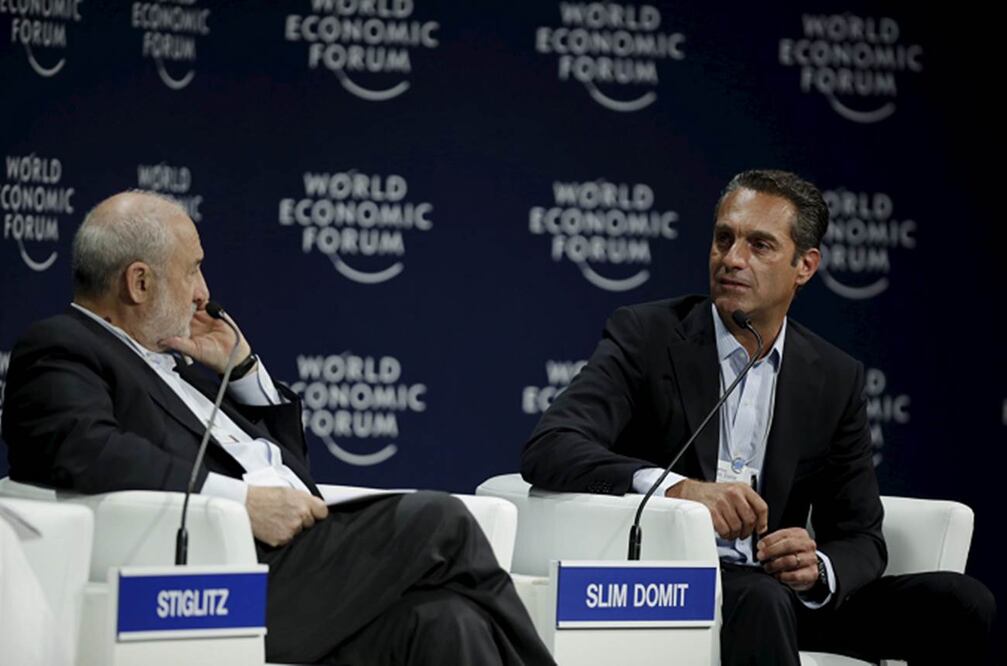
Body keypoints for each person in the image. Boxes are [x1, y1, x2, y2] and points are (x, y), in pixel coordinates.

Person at [2, 190, 554, 666]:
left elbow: (295, 472)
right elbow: (85, 450)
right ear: (139, 282)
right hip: (235, 579)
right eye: (192, 268)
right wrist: (241, 502)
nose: (203, 292)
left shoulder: (185, 366)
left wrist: (242, 373)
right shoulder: (62, 346)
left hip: (301, 563)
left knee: (449, 622)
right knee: (441, 520)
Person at [521, 170, 994, 664]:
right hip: (681, 587)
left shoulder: (834, 376)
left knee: (960, 603)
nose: (731, 259)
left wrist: (819, 568)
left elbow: (860, 534)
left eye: (759, 245)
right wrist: (678, 489)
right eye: (723, 238)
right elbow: (551, 444)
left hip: (784, 593)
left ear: (805, 266)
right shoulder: (647, 337)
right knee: (761, 600)